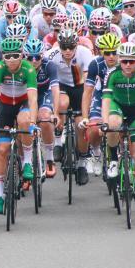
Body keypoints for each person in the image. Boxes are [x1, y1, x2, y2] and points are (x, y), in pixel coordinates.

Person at [0, 37, 38, 214]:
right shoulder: (0, 68)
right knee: (2, 150)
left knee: (24, 121)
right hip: (5, 106)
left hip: (23, 103)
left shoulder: (28, 69)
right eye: (7, 56)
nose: (11, 60)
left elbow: (32, 98)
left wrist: (32, 123)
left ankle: (28, 162)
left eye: (15, 56)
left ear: (21, 55)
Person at [101, 42, 135, 213]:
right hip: (118, 106)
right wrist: (104, 123)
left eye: (132, 61)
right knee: (113, 124)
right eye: (124, 61)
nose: (128, 65)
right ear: (119, 61)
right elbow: (106, 100)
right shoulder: (113, 74)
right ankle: (114, 160)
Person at [45, 28, 94, 185]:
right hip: (62, 86)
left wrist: (86, 105)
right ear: (58, 46)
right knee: (62, 103)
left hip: (80, 88)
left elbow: (88, 82)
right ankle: (58, 141)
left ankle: (82, 165)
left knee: (81, 126)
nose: (67, 51)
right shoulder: (51, 55)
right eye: (63, 47)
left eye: (71, 47)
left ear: (76, 45)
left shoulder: (85, 53)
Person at [81, 33, 121, 176]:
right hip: (101, 96)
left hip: (120, 97)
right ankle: (97, 153)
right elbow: (87, 92)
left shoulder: (126, 63)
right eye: (107, 53)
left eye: (114, 52)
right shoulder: (95, 64)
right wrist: (85, 117)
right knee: (94, 129)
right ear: (101, 52)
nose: (111, 56)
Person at [24, 37, 59, 177]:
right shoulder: (20, 66)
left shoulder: (49, 65)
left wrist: (55, 113)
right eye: (30, 57)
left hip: (44, 93)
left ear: (42, 55)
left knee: (45, 118)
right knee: (23, 122)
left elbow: (56, 90)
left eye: (37, 57)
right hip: (26, 95)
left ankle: (50, 158)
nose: (34, 61)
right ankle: (23, 161)